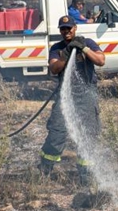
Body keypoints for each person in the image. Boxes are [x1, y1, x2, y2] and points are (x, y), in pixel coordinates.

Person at [39, 15, 106, 184]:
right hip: (65, 97)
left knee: (88, 134)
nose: (66, 31)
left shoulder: (88, 43)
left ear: (75, 28)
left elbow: (101, 61)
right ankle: (43, 173)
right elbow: (54, 68)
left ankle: (86, 177)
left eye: (69, 28)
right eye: (63, 29)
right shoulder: (57, 48)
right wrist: (65, 56)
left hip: (86, 97)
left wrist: (84, 49)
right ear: (60, 31)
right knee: (57, 132)